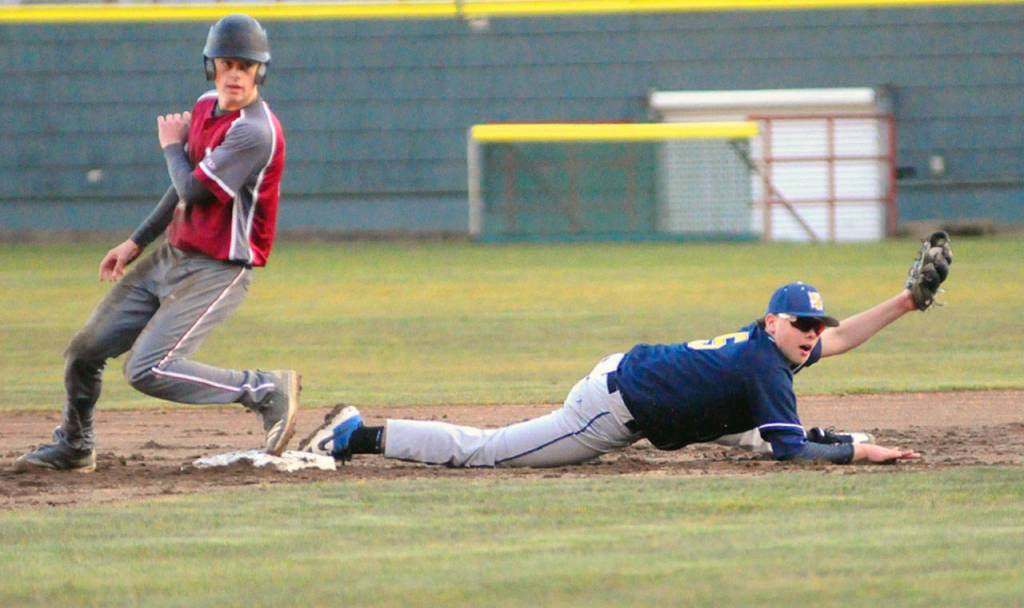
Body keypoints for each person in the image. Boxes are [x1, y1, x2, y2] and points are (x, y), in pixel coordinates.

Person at [304, 233, 952, 468]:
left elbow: (839, 339)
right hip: (612, 407)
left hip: (649, 382)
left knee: (753, 429)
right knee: (489, 451)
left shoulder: (776, 350)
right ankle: (358, 433)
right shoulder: (765, 362)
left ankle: (834, 434)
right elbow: (790, 455)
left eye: (815, 324)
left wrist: (906, 302)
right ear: (771, 321)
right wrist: (858, 452)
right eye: (800, 322)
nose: (813, 333)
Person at [15, 14, 297, 473]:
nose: (234, 75)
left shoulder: (254, 131)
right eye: (226, 64)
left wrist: (169, 146)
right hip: (171, 255)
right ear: (211, 67)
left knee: (149, 369)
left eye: (246, 66)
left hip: (218, 269)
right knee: (83, 352)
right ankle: (75, 443)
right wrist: (134, 242)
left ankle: (265, 390)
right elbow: (182, 187)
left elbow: (191, 189)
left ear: (260, 72)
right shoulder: (207, 106)